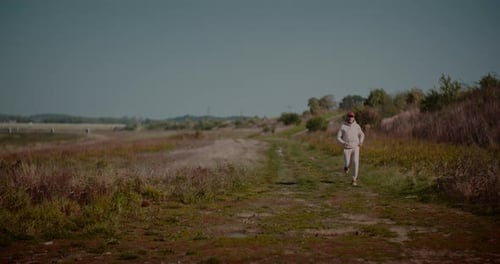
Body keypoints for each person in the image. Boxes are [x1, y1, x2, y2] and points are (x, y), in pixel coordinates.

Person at [336, 111, 365, 186]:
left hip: (356, 147)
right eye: (349, 116)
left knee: (355, 162)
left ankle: (354, 180)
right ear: (347, 117)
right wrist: (343, 142)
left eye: (352, 117)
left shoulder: (357, 126)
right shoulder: (343, 126)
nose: (350, 118)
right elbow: (338, 137)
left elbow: (362, 134)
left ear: (354, 118)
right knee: (347, 163)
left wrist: (361, 141)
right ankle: (346, 167)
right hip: (346, 148)